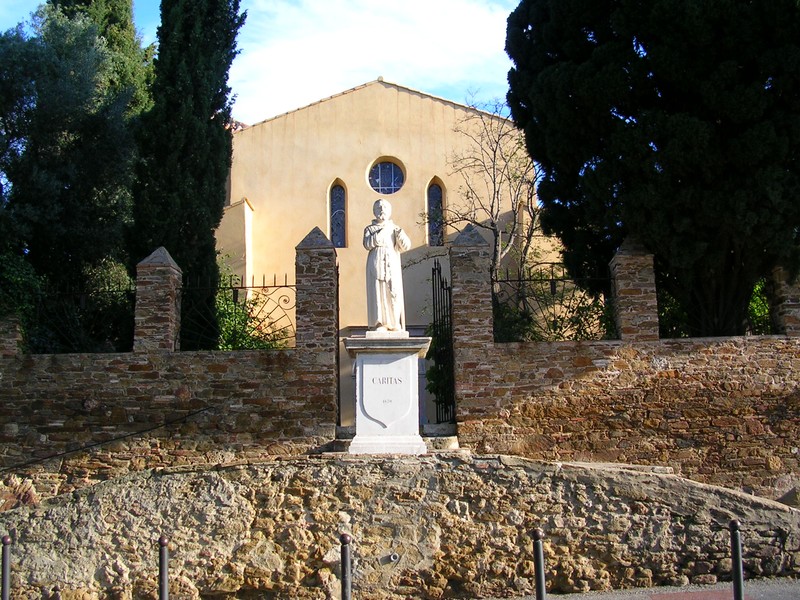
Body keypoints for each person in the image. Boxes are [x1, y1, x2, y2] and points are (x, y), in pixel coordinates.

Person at [363, 199, 411, 331]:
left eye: (384, 207)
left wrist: (400, 235)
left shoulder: (395, 228)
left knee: (393, 291)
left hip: (392, 261)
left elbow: (406, 246)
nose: (381, 209)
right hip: (376, 261)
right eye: (378, 207)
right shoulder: (370, 229)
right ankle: (380, 323)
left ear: (389, 211)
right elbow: (367, 244)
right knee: (378, 291)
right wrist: (383, 231)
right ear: (374, 211)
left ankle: (395, 322)